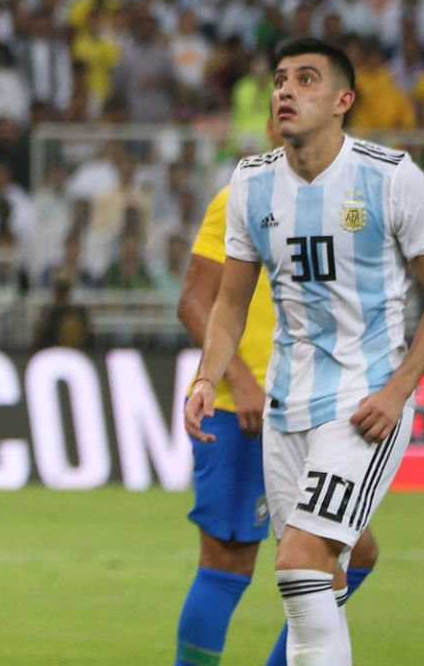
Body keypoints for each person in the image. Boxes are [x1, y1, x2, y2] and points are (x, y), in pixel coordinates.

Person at [184, 37, 424, 666]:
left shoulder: (390, 177)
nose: (286, 90)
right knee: (316, 585)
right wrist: (207, 378)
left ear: (343, 101)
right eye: (281, 79)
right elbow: (227, 303)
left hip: (361, 404)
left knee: (300, 560)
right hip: (286, 410)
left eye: (306, 80)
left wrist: (398, 391)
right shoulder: (251, 184)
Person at [173, 118, 380, 666]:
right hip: (243, 411)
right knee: (228, 560)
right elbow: (195, 301)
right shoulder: (239, 199)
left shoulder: (349, 208)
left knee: (352, 555)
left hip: (315, 409)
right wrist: (238, 380)